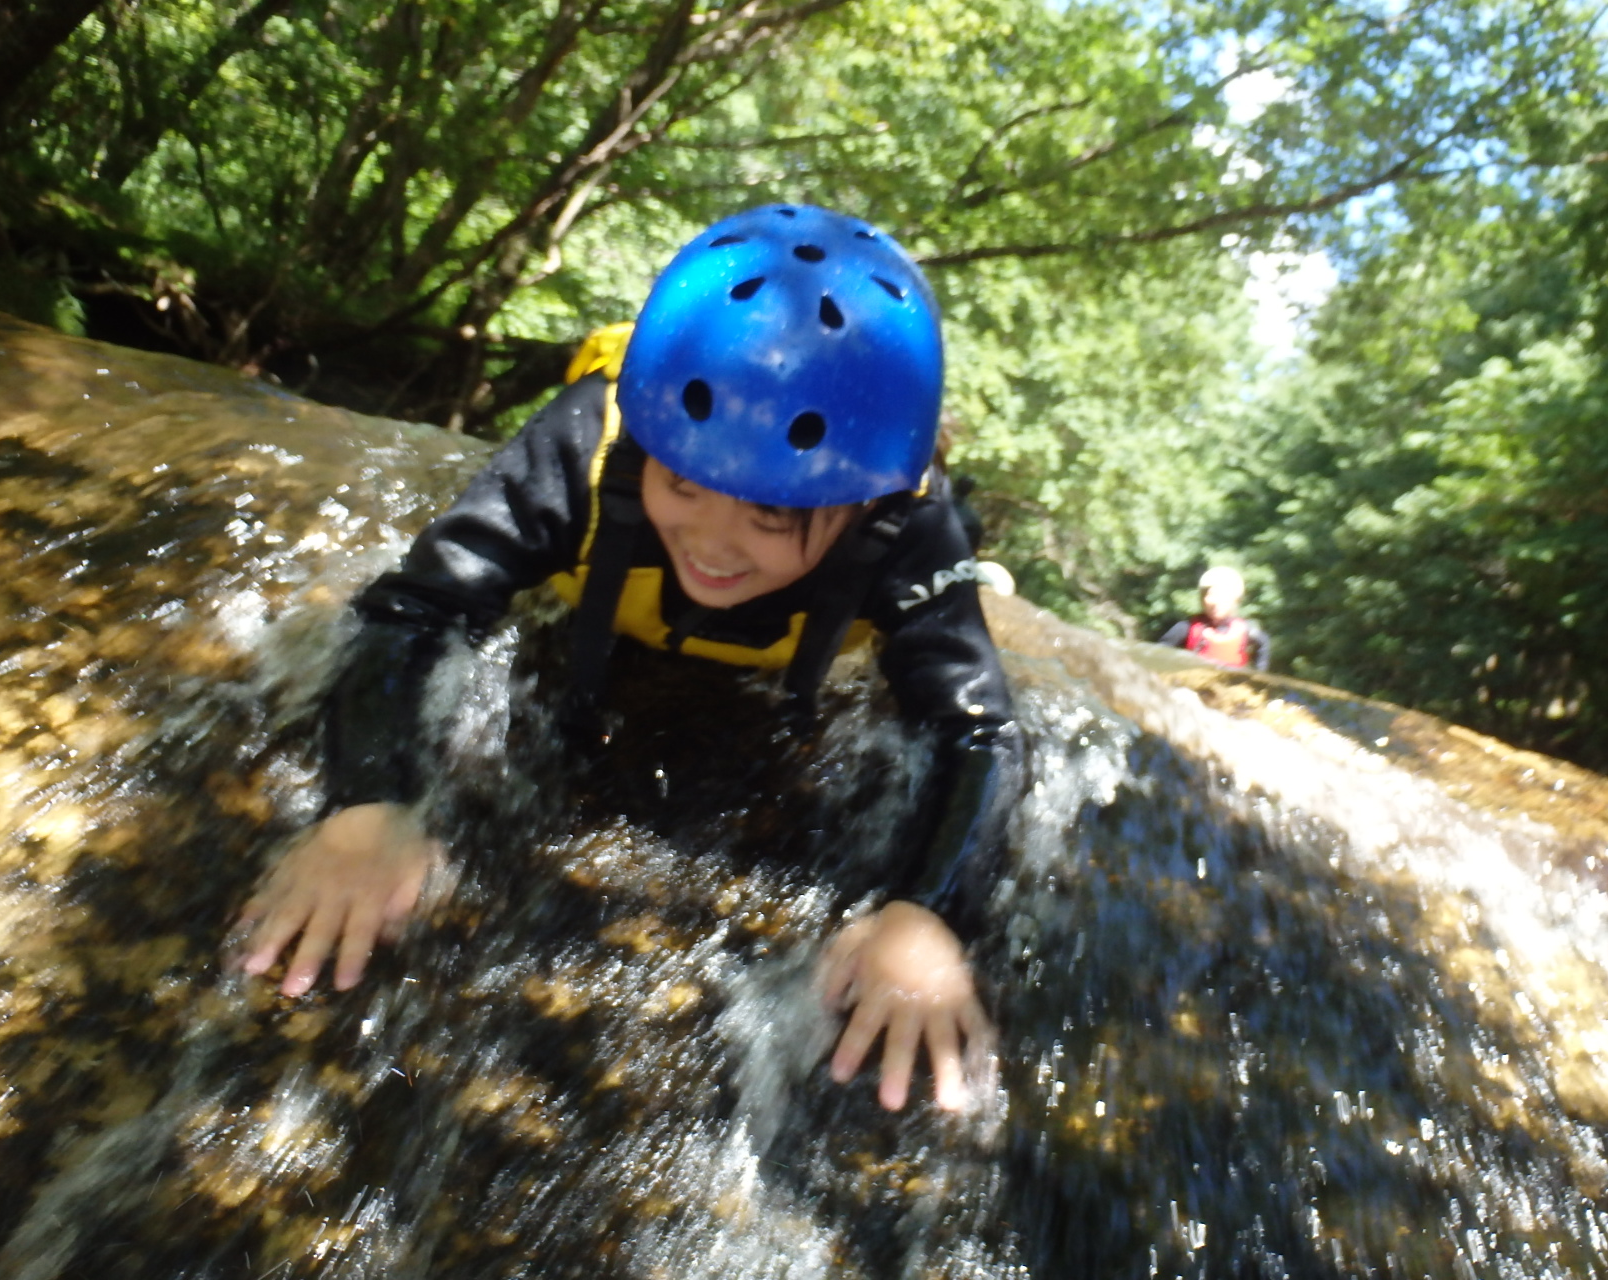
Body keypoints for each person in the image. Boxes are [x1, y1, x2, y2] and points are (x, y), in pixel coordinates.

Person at [237, 205, 1024, 1114]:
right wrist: (366, 800)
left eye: (772, 514)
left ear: (867, 506)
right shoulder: (590, 437)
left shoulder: (907, 522)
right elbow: (419, 606)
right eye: (683, 483)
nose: (714, 542)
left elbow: (976, 731)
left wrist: (927, 911)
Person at [1157, 565, 1269, 670]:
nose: (1216, 602)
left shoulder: (1248, 631)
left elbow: (1263, 644)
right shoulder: (1185, 628)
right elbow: (1157, 655)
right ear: (1203, 599)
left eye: (1223, 595)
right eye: (1211, 595)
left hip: (1230, 687)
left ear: (1235, 599)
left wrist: (1258, 675)